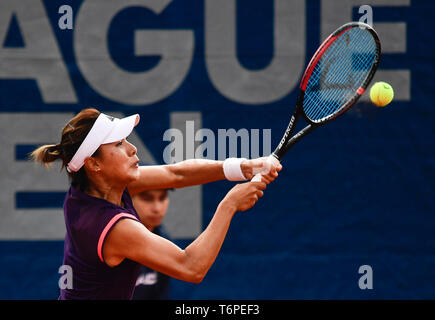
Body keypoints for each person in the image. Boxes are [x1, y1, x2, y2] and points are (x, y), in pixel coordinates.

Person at [31, 108, 281, 300]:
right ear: (93, 164)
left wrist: (245, 167)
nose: (132, 149)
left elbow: (176, 174)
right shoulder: (112, 228)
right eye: (118, 144)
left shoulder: (90, 190)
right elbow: (191, 267)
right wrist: (229, 205)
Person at [131, 186, 172, 300]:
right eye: (147, 199)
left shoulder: (164, 241)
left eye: (162, 198)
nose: (157, 208)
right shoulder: (108, 240)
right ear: (127, 199)